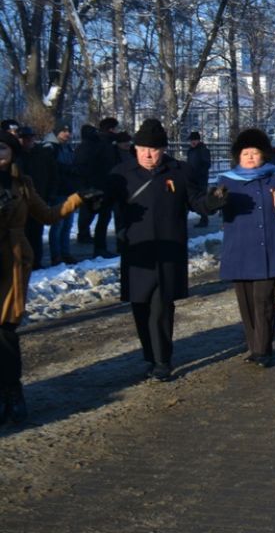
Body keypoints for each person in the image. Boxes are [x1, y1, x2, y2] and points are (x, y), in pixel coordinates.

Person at [105, 119, 218, 381]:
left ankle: (162, 360)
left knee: (162, 307)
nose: (147, 154)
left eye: (154, 150)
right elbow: (103, 202)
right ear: (135, 148)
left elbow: (197, 202)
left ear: (163, 149)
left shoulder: (179, 171)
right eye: (142, 149)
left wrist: (213, 201)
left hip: (169, 250)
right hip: (137, 252)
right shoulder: (121, 173)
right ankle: (150, 355)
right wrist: (91, 200)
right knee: (140, 307)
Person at [0, 131, 92, 421]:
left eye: (2, 148)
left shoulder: (23, 184)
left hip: (13, 262)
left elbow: (49, 215)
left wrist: (77, 198)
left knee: (5, 330)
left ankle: (12, 393)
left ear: (13, 153)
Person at [214, 129, 275, 368]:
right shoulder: (227, 180)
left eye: (254, 152)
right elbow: (212, 204)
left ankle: (263, 350)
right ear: (238, 156)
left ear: (263, 155)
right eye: (245, 153)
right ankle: (254, 346)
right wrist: (214, 199)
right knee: (246, 304)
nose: (250, 157)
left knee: (264, 300)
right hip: (239, 251)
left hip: (268, 249)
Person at [75, 118, 119, 258]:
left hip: (101, 184)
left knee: (99, 216)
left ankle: (95, 243)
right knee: (100, 216)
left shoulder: (102, 143)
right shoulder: (103, 144)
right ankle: (98, 246)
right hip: (101, 185)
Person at [16, 126, 57, 268]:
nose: (27, 141)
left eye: (29, 138)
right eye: (23, 138)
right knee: (22, 233)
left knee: (36, 233)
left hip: (39, 197)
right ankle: (23, 262)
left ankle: (36, 262)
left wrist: (50, 193)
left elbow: (53, 174)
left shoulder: (42, 154)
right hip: (19, 201)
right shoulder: (15, 156)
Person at [45, 124, 78, 266]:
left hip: (68, 189)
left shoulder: (67, 147)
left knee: (68, 225)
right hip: (57, 190)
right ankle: (56, 255)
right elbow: (51, 168)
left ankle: (65, 252)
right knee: (58, 224)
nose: (67, 134)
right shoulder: (50, 147)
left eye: (68, 131)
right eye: (64, 131)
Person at [186, 131, 213, 228]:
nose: (192, 142)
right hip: (191, 178)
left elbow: (207, 164)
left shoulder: (203, 150)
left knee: (201, 198)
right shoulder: (190, 151)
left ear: (198, 140)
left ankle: (204, 220)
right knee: (188, 198)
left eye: (194, 140)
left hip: (201, 179)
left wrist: (199, 173)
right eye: (191, 140)